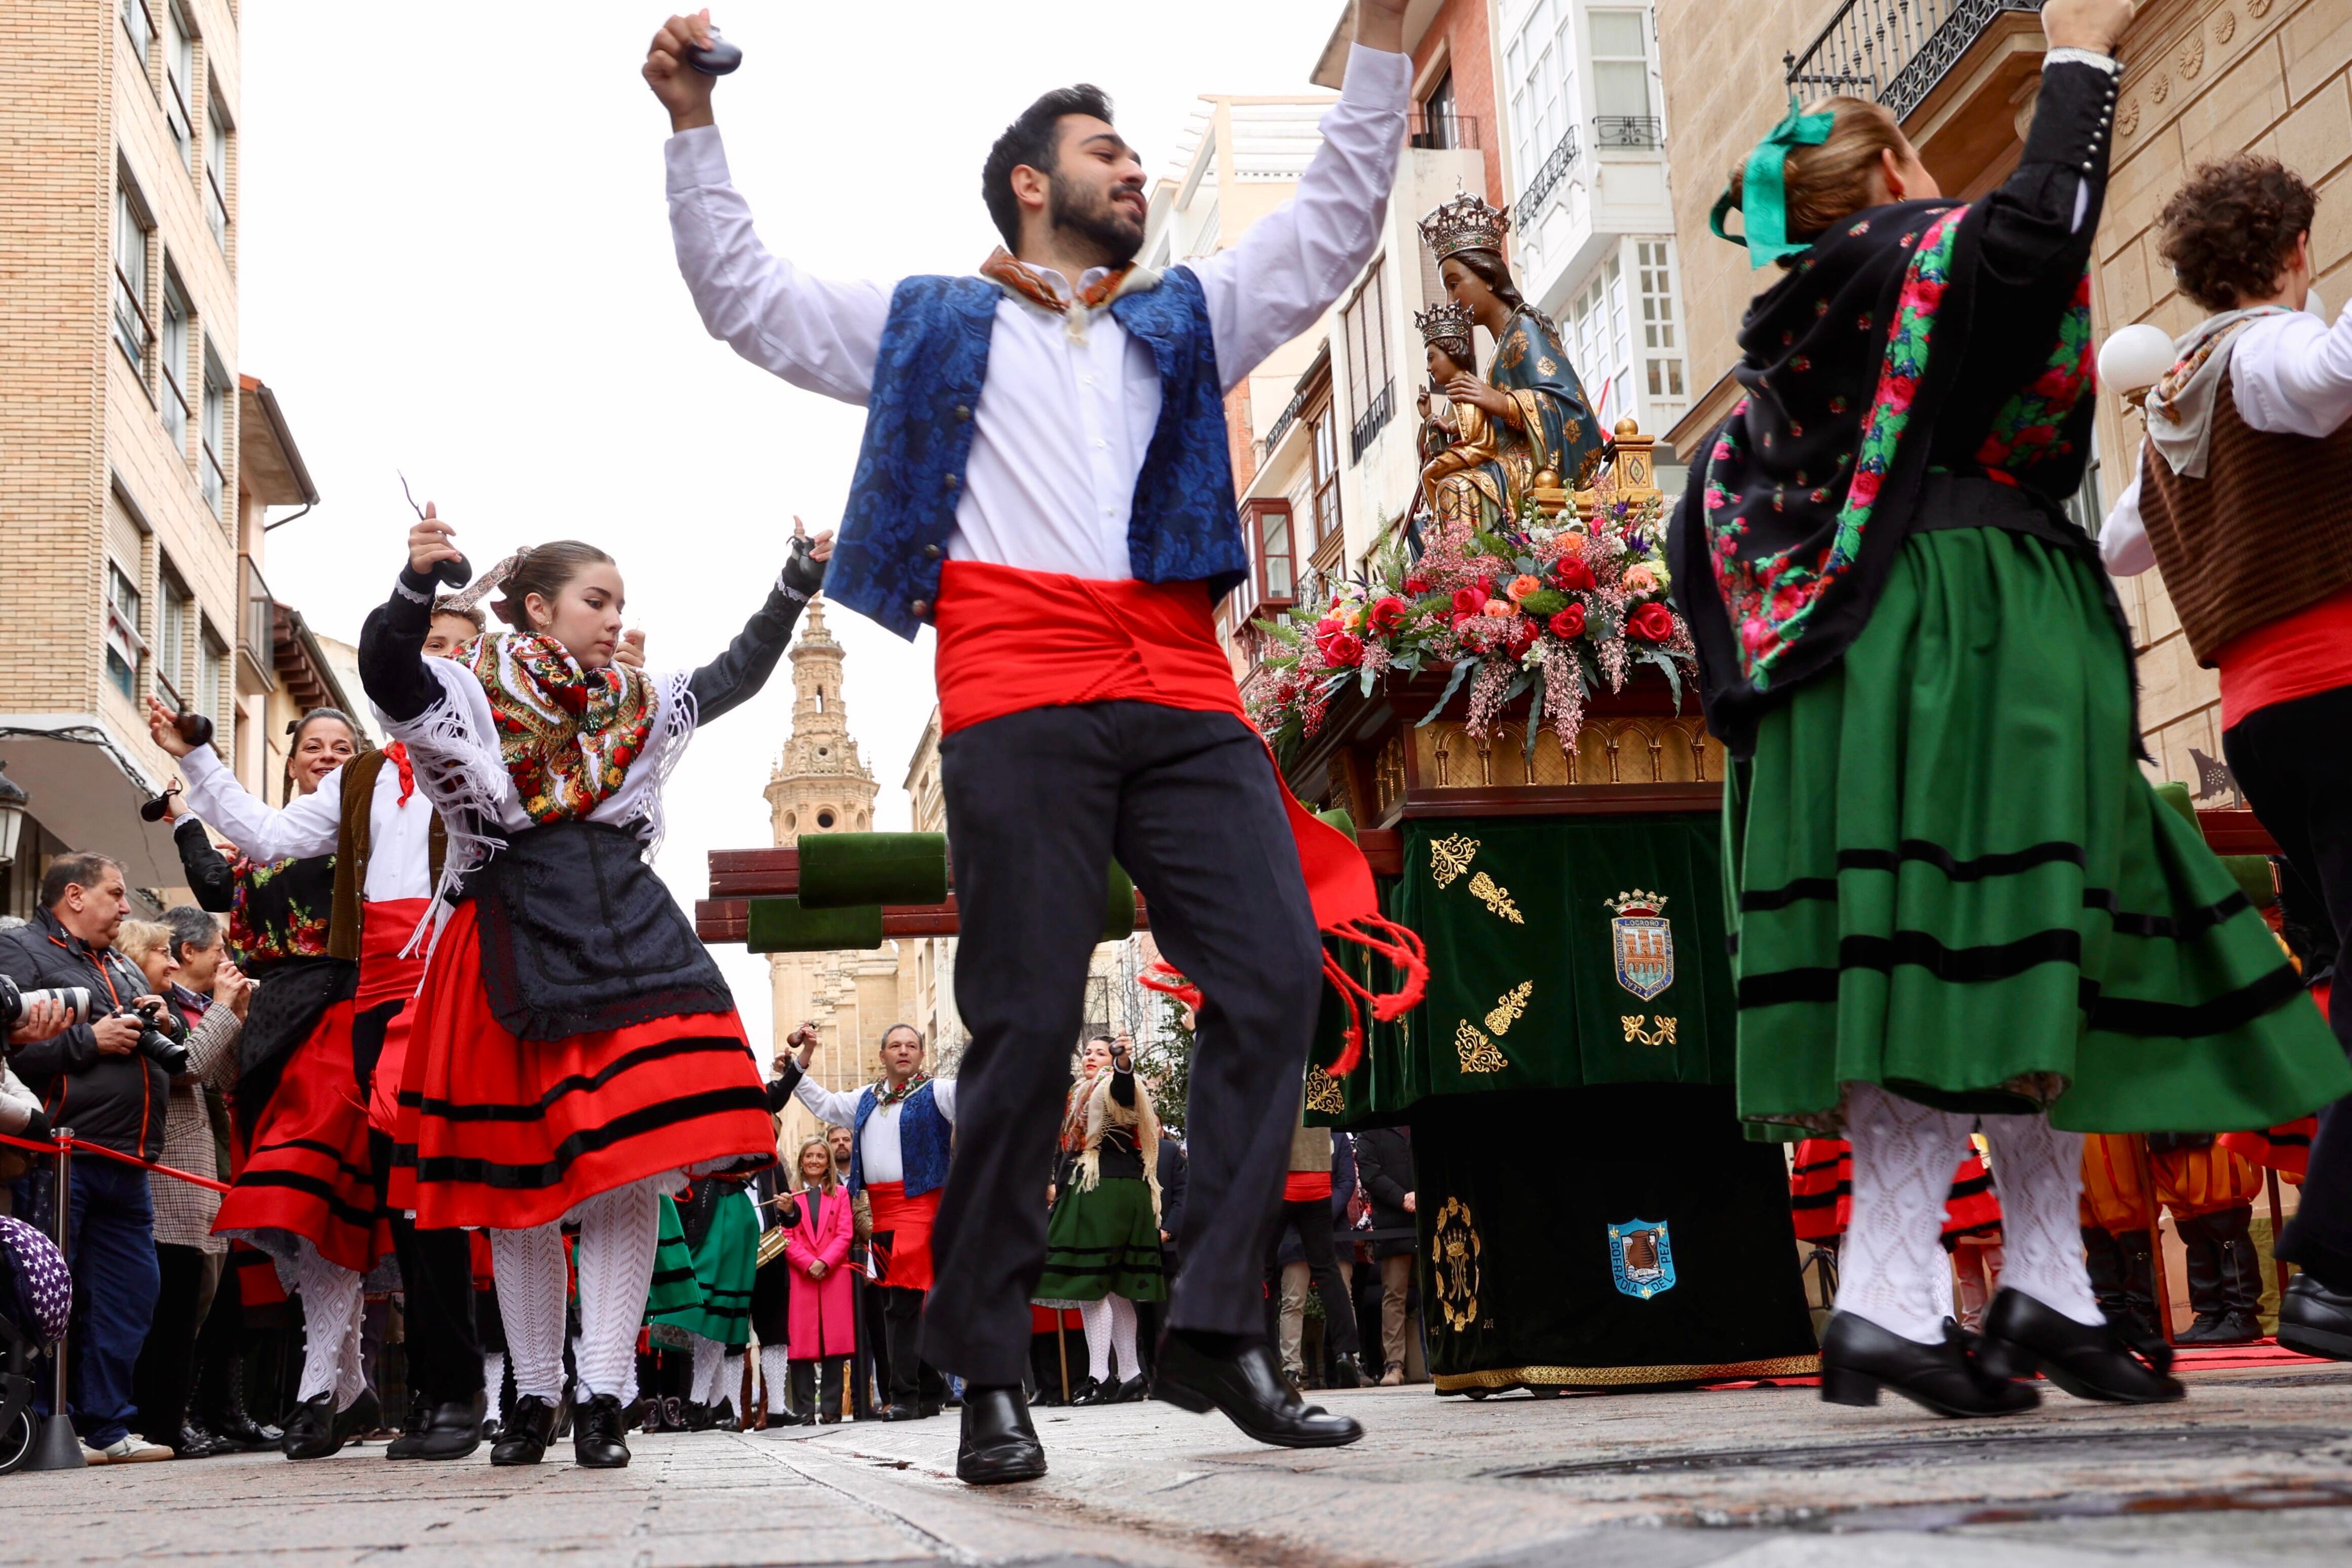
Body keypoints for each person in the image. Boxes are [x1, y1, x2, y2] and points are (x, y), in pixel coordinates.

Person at [648, 0, 1418, 1484]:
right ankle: (991, 1369)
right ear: (1028, 187)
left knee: (1272, 972)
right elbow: (744, 295)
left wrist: (1379, 33)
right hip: (1018, 680)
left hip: (1181, 680)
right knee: (1018, 1021)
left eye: (1138, 156)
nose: (1133, 171)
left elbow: (1329, 226)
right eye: (1104, 152)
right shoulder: (934, 319)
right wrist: (693, 122)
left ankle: (1212, 1319)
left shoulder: (1183, 313)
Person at [1667, 0, 2352, 1420]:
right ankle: (1887, 1296)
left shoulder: (1798, 338)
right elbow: (2036, 233)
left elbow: (1707, 539)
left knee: (2025, 961)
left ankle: (2042, 1279)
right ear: (1892, 176)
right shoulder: (1882, 261)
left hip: (1940, 639)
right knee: (1967, 949)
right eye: (1923, 168)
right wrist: (2087, 62)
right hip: (1959, 638)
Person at [357, 509, 829, 1470]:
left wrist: (793, 582)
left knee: (629, 1170)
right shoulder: (472, 691)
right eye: (596, 600)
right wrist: (416, 587)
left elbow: (735, 671)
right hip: (508, 929)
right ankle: (534, 1397)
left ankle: (604, 1395)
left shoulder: (642, 700)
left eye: (621, 603)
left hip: (626, 928)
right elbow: (385, 672)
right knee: (518, 1187)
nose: (615, 619)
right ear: (538, 607)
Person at [2094, 156, 2352, 1362]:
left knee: (2339, 976)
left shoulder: (2178, 391)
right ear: (2295, 250)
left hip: (2258, 720)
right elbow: (2331, 374)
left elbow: (2121, 545)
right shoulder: (2266, 355)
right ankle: (2331, 1267)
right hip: (2343, 687)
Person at [153, 687, 497, 1465]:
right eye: (315, 745)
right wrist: (188, 786)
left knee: (317, 1187)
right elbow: (225, 872)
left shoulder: (375, 821)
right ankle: (341, 1389)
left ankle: (327, 1389)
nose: (331, 756)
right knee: (307, 1206)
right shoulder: (280, 842)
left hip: (348, 1012)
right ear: (293, 758)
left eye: (344, 747)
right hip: (272, 1027)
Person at [1, 854, 178, 1462]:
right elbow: (8, 1051)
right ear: (74, 896)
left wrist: (163, 1018)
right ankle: (52, 1426)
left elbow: (160, 1044)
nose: (127, 907)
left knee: (130, 1297)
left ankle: (110, 1428)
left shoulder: (124, 964)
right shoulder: (20, 950)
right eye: (116, 894)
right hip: (59, 1156)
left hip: (128, 1159)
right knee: (49, 1295)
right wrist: (88, 1040)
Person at [121, 914, 249, 1455]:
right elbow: (191, 1066)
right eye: (160, 955)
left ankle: (174, 1421)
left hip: (199, 1177)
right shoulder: (134, 1012)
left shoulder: (170, 1012)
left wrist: (234, 1014)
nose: (172, 964)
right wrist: (222, 1006)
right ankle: (162, 1424)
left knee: (191, 1313)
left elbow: (222, 1078)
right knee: (168, 1315)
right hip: (167, 1178)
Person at [788, 1023, 951, 1422]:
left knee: (903, 1302)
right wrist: (796, 1068)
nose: (903, 1051)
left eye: (912, 1046)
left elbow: (984, 1095)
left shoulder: (940, 1091)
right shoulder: (866, 1098)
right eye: (895, 1045)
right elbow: (824, 1104)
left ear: (921, 1055)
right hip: (880, 1212)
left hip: (920, 1207)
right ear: (882, 1056)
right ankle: (933, 1388)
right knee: (895, 1303)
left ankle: (905, 1397)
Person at [1418, 208, 1606, 511]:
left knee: (1457, 489)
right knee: (1436, 489)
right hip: (1501, 461)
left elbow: (1575, 415)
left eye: (1454, 285)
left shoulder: (1526, 329)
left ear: (1489, 278)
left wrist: (1503, 404)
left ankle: (1472, 559)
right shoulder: (1499, 349)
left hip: (1531, 469)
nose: (1451, 303)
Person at [1036, 1034, 1165, 1404]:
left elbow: (1124, 1088)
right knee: (1115, 1288)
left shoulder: (1115, 1084)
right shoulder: (1080, 1091)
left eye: (1101, 1052)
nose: (1091, 1057)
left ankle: (1099, 1377)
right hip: (1115, 1189)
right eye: (1088, 1052)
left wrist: (1123, 1064)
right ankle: (1131, 1375)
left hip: (1101, 1189)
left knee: (1087, 1283)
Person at [1265, 1109, 1361, 1392]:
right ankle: (1346, 1353)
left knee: (1263, 1270)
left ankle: (1262, 1359)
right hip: (1317, 1180)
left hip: (1281, 1182)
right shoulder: (1318, 1072)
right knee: (1328, 1269)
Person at [780, 1136, 854, 1425]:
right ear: (801, 1161)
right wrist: (809, 1262)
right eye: (809, 1156)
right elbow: (786, 1235)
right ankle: (803, 1411)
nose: (814, 1161)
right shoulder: (789, 1195)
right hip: (801, 1275)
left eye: (820, 1157)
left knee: (833, 1345)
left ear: (828, 1164)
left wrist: (824, 1261)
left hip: (834, 1273)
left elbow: (845, 1233)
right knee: (801, 1346)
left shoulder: (841, 1194)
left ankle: (832, 1410)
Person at [1350, 1125, 1415, 1387]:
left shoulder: (1424, 1119)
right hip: (1393, 1223)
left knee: (1440, 1293)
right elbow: (1370, 1174)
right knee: (1395, 1295)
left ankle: (1445, 1359)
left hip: (1435, 1217)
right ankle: (1394, 1365)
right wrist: (1403, 1198)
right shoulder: (1371, 1129)